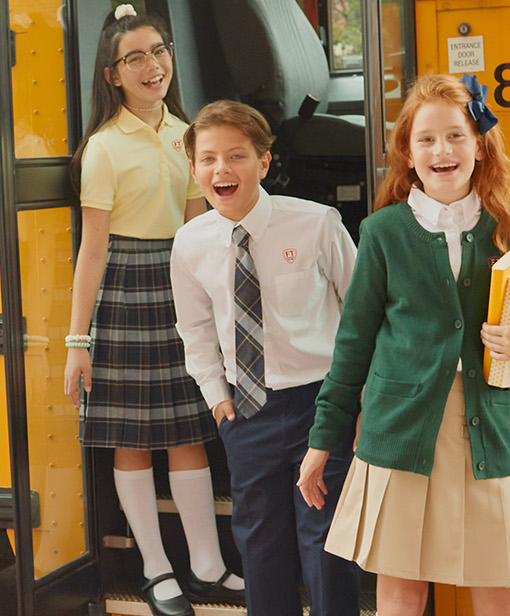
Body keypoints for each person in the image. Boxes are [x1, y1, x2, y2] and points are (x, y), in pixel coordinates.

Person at [295, 73, 510, 616]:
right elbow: (354, 345)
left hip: (480, 429)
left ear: (480, 144)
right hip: (400, 431)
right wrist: (323, 439)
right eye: (427, 139)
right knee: (402, 591)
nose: (443, 150)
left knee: (505, 590)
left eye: (456, 136)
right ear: (408, 154)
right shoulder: (383, 232)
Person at [62, 5, 243, 616]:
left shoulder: (188, 133)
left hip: (182, 280)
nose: (151, 65)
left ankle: (209, 568)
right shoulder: (103, 149)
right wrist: (76, 343)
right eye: (134, 57)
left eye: (158, 51)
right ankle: (155, 569)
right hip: (126, 289)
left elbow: (201, 228)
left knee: (190, 432)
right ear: (112, 74)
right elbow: (92, 252)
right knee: (133, 441)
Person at [169, 100, 362, 616]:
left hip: (320, 406)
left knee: (324, 545)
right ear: (193, 168)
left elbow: (363, 313)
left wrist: (358, 400)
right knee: (260, 546)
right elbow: (195, 330)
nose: (221, 170)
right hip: (245, 411)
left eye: (236, 156)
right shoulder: (189, 244)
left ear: (264, 162)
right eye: (208, 159)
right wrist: (216, 399)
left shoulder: (317, 223)